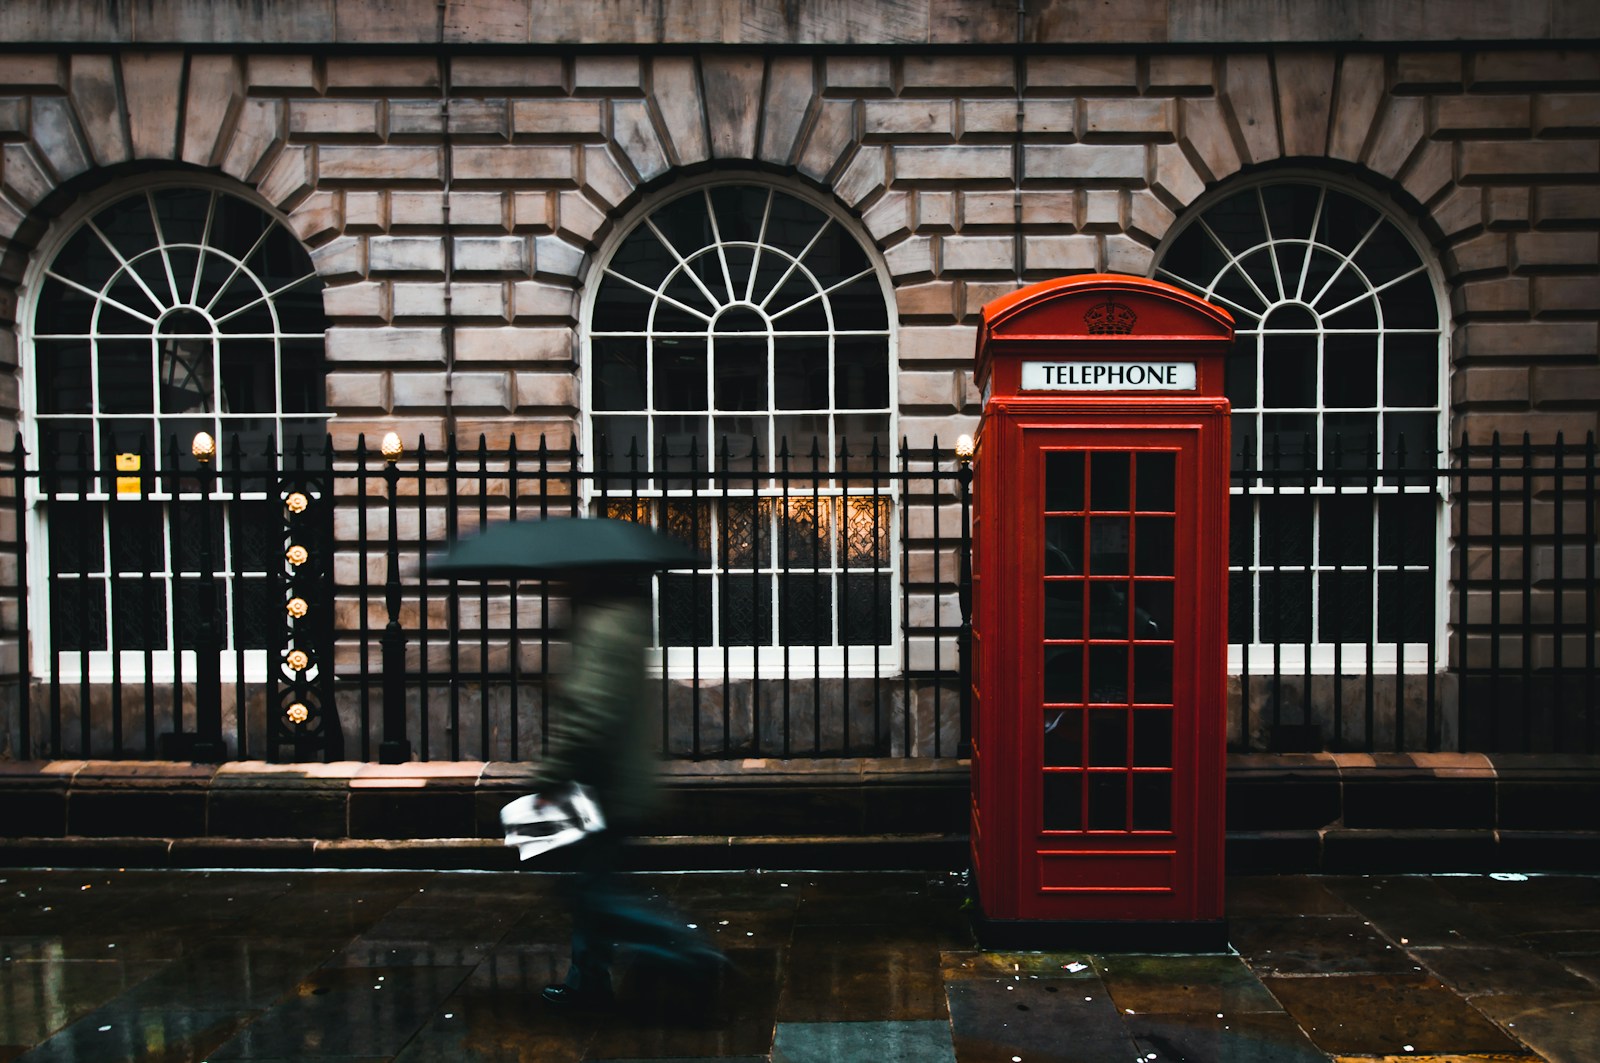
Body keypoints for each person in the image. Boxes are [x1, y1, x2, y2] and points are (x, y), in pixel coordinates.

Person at [531, 569, 724, 1009]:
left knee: (592, 891)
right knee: (587, 884)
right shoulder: (619, 621)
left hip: (599, 786)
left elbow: (588, 717)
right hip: (610, 781)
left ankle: (685, 949)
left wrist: (549, 778)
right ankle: (588, 980)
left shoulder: (602, 627)